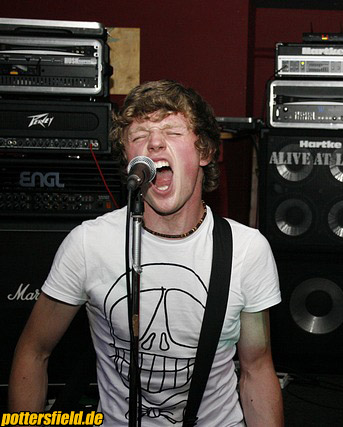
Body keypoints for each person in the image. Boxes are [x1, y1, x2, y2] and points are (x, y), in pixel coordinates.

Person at [9, 80, 284, 426]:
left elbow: (256, 368)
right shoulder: (88, 244)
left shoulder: (246, 250)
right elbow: (34, 351)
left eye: (172, 131)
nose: (154, 143)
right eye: (139, 136)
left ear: (204, 152)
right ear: (129, 158)